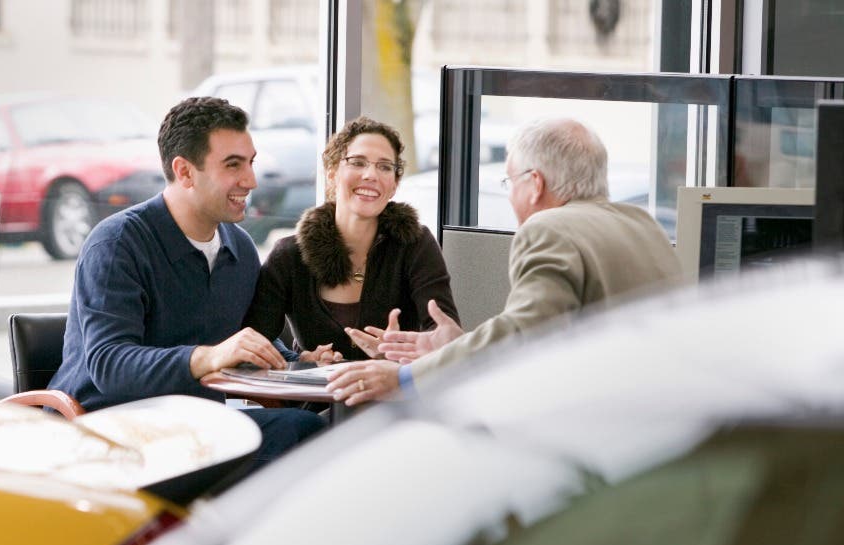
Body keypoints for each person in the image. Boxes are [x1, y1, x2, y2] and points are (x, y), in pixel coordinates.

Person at [325, 117, 683, 404]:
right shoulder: (643, 225)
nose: (511, 196)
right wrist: (455, 346)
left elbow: (524, 332)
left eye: (510, 181)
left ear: (535, 183)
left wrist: (405, 378)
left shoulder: (549, 227)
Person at [49, 96, 326, 467]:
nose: (251, 180)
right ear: (185, 172)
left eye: (251, 163)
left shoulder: (239, 249)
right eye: (233, 165)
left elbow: (241, 337)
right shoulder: (117, 244)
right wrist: (209, 357)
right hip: (108, 434)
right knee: (297, 435)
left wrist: (298, 363)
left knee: (316, 431)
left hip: (194, 428)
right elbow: (109, 364)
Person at [244, 116, 458, 363]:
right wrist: (300, 362)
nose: (371, 175)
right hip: (315, 400)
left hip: (394, 398)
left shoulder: (415, 244)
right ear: (332, 172)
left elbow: (444, 336)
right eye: (357, 162)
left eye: (385, 167)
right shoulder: (289, 255)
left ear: (395, 184)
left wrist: (401, 357)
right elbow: (254, 343)